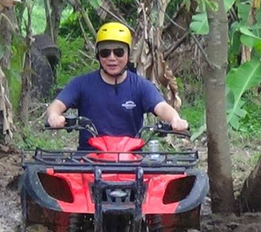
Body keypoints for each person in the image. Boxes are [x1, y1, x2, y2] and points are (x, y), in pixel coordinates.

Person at [45, 22, 189, 150]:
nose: (112, 58)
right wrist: (53, 116)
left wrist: (175, 119)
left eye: (118, 52)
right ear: (98, 56)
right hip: (89, 161)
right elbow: (56, 105)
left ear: (128, 53)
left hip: (131, 161)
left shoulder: (141, 86)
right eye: (105, 53)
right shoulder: (81, 84)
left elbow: (161, 107)